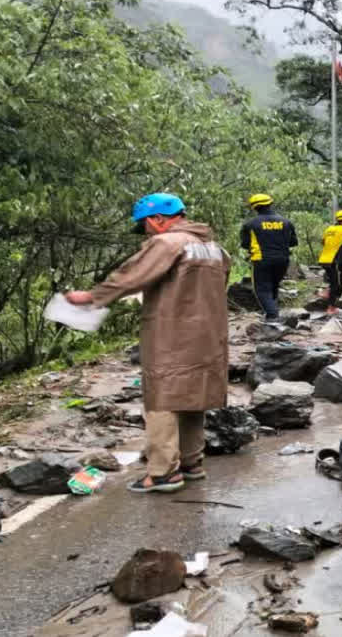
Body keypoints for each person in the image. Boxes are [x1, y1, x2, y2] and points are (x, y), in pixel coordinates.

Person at [66, 193, 231, 493]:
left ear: (157, 219)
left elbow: (132, 276)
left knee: (163, 398)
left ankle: (163, 473)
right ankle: (191, 462)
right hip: (209, 334)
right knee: (193, 396)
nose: (145, 231)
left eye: (144, 224)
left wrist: (92, 297)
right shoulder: (214, 248)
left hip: (173, 333)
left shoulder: (167, 243)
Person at [240, 193, 297, 323]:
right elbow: (293, 242)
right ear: (271, 203)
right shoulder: (286, 222)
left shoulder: (250, 224)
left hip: (262, 260)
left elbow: (244, 244)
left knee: (262, 289)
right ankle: (272, 312)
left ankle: (272, 316)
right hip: (283, 260)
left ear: (254, 208)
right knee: (274, 286)